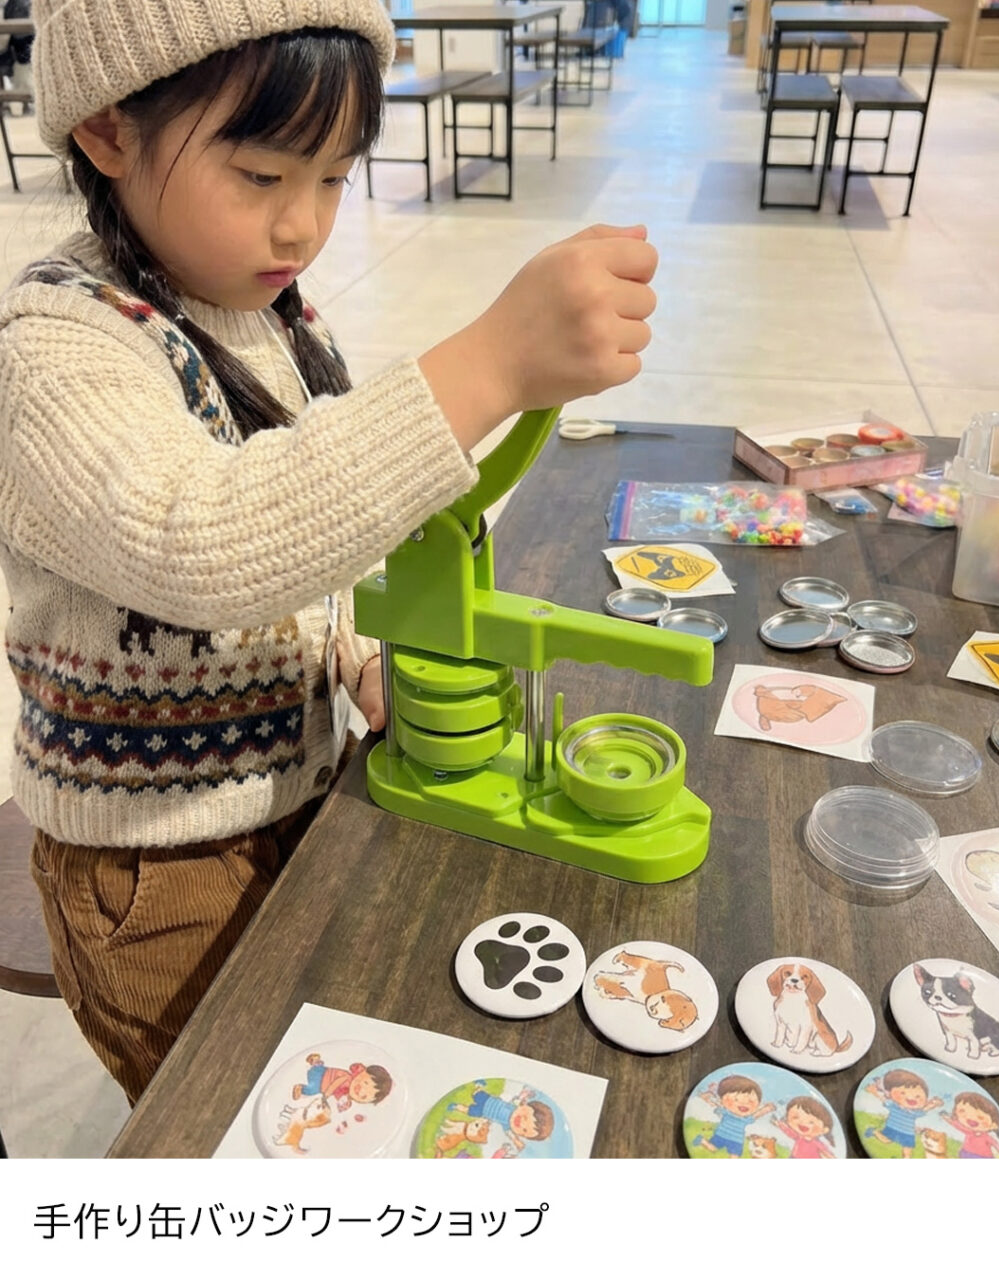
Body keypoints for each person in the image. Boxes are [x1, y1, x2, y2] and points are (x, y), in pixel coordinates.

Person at [0, 0, 658, 1105]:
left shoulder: (278, 317)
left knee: (333, 1082)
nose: (301, 227)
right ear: (108, 130)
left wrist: (355, 655)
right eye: (261, 175)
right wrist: (489, 363)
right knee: (237, 1117)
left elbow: (317, 534)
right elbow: (205, 541)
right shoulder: (56, 353)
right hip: (156, 874)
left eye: (334, 176)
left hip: (302, 796)